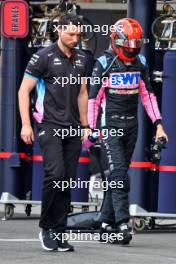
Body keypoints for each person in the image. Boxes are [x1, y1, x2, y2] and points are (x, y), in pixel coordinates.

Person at [88, 18, 168, 245]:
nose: (132, 51)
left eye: (135, 46)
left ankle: (105, 223)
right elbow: (94, 99)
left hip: (133, 127)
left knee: (117, 176)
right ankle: (122, 224)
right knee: (120, 177)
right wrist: (92, 129)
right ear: (115, 41)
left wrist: (159, 124)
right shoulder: (102, 63)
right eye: (128, 47)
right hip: (109, 126)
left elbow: (148, 96)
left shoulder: (141, 61)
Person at [18, 13, 91, 252]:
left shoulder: (82, 58)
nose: (74, 38)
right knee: (55, 174)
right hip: (48, 125)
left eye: (78, 34)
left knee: (67, 180)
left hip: (72, 128)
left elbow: (82, 93)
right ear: (59, 30)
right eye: (70, 33)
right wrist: (26, 125)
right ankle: (47, 227)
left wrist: (85, 124)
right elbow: (23, 92)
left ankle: (60, 230)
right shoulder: (43, 56)